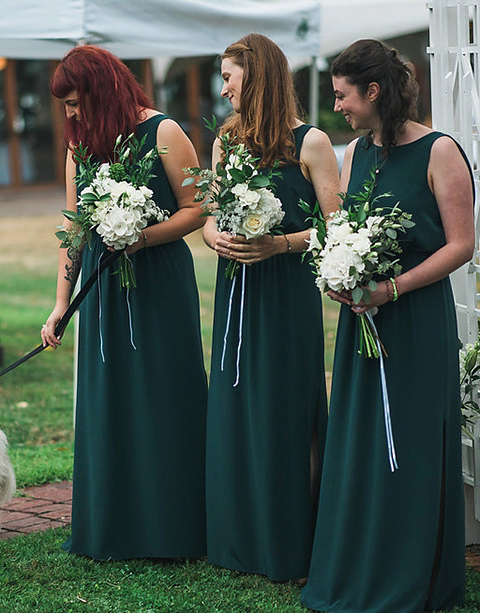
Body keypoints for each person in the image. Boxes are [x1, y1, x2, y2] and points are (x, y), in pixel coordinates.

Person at [299, 39, 475, 613]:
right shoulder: (352, 155)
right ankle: (361, 564)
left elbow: (461, 245)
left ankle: (415, 575)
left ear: (373, 91)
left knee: (414, 442)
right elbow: (343, 231)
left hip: (416, 318)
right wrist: (338, 273)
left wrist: (392, 289)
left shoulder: (439, 150)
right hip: (363, 321)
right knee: (364, 444)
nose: (339, 108)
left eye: (343, 96)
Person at [40, 45, 208, 560]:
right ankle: (114, 525)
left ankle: (176, 526)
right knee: (109, 398)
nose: (69, 114)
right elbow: (74, 229)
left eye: (74, 102)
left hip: (159, 281)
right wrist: (61, 303)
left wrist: (143, 236)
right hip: (103, 287)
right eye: (64, 105)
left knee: (162, 392)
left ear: (101, 88)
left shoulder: (164, 133)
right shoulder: (79, 149)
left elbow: (197, 210)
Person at [202, 34, 340, 583]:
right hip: (236, 289)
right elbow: (209, 211)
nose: (223, 87)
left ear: (255, 78)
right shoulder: (226, 141)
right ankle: (240, 538)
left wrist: (279, 243)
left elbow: (339, 227)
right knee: (236, 406)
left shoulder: (311, 144)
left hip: (285, 293)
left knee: (288, 410)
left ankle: (297, 542)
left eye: (229, 76)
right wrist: (215, 236)